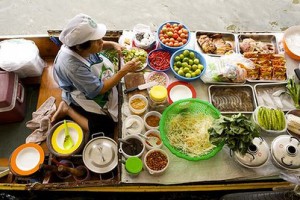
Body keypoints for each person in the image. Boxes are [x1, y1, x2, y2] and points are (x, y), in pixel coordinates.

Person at [51, 13, 140, 139]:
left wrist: (114, 45)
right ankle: (67, 109)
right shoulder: (74, 67)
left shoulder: (78, 44)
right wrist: (123, 71)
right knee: (106, 126)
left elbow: (100, 44)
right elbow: (99, 90)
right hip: (82, 92)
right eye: (97, 41)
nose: (101, 43)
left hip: (91, 80)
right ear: (80, 47)